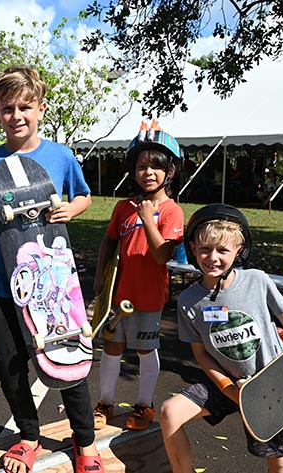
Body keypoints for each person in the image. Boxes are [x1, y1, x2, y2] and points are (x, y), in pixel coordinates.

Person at [0, 67, 104, 473]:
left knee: (68, 353)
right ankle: (28, 435)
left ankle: (85, 440)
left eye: (25, 107)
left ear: (40, 108)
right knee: (9, 364)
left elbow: (85, 196)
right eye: (7, 108)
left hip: (52, 282)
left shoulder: (60, 156)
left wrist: (71, 208)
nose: (16, 115)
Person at [159, 204, 283, 473]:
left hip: (271, 383)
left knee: (279, 460)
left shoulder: (257, 281)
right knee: (170, 412)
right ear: (192, 248)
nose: (212, 257)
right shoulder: (188, 301)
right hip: (228, 382)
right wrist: (229, 389)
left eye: (223, 250)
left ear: (238, 252)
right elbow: (202, 353)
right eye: (205, 249)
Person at [91, 120, 184, 432]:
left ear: (170, 172)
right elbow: (109, 240)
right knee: (111, 348)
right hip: (118, 295)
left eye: (156, 167)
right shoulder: (122, 207)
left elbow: (162, 254)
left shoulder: (172, 211)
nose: (148, 173)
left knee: (145, 350)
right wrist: (101, 276)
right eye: (142, 166)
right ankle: (105, 402)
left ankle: (144, 404)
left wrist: (148, 219)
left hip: (148, 296)